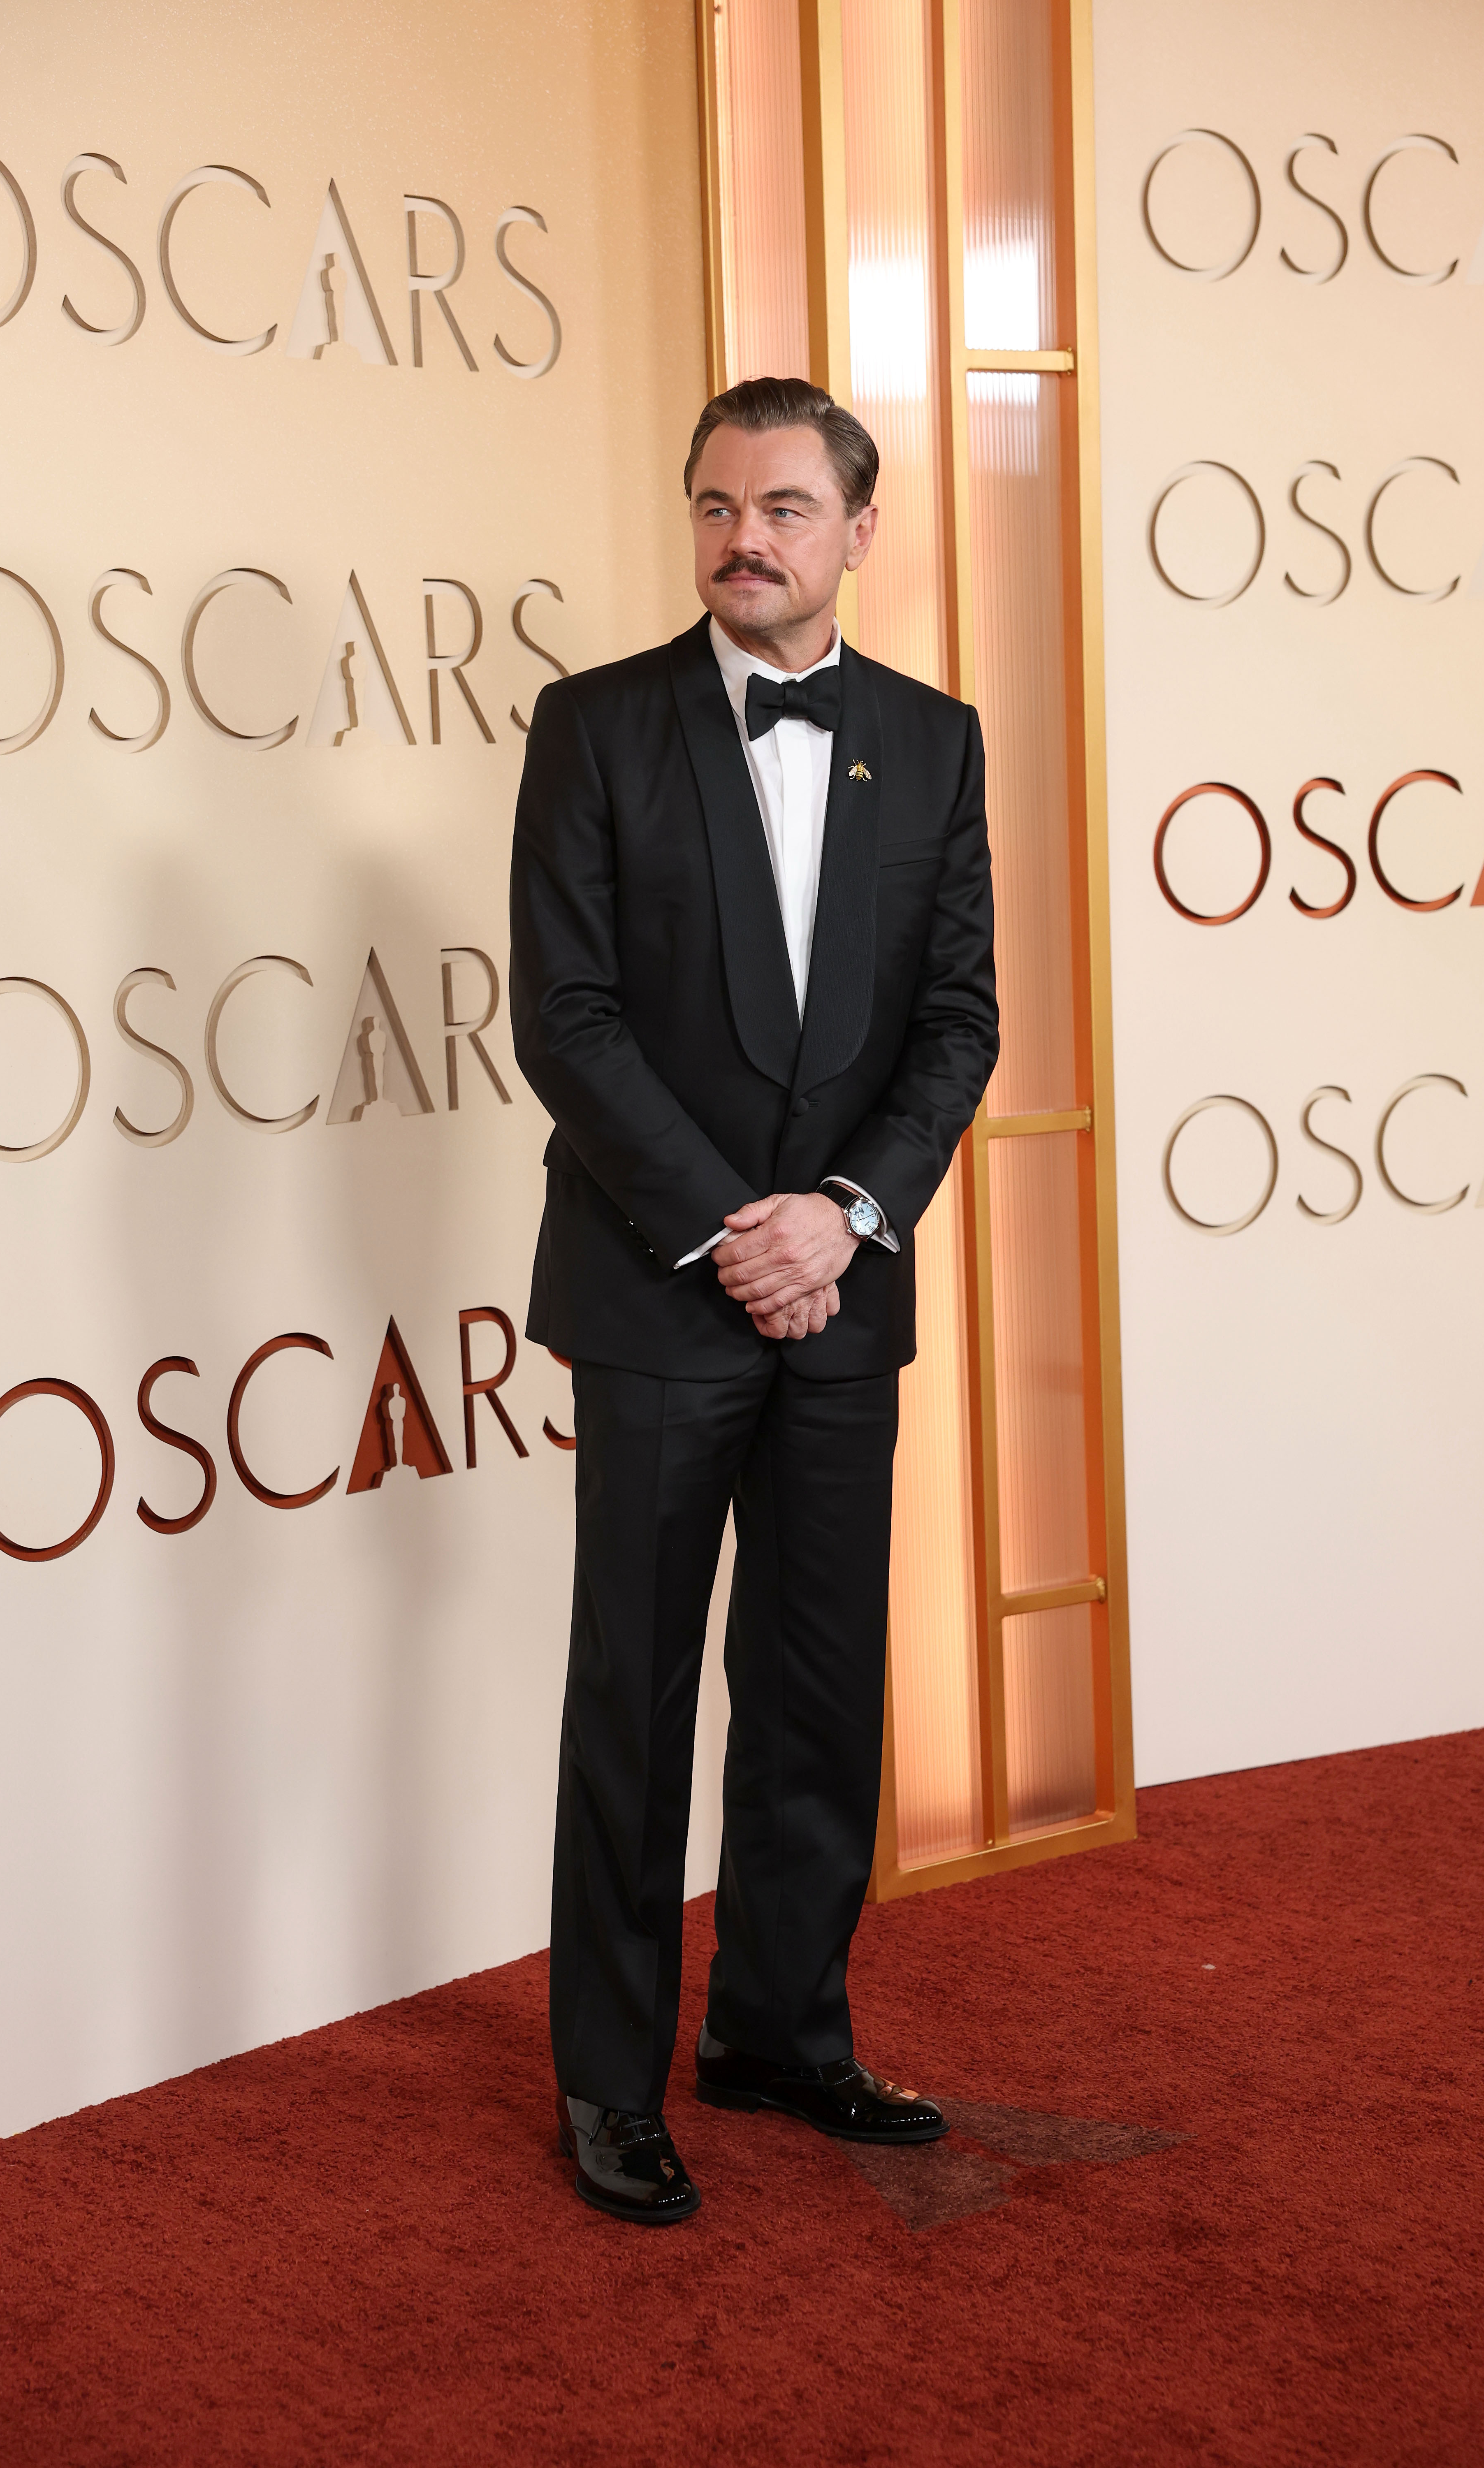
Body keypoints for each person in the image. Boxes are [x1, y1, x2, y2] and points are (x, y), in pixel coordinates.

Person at [509, 375, 999, 2224]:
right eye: (717, 507)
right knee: (632, 1696)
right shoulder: (595, 726)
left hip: (844, 1297)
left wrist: (849, 1219)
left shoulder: (936, 742)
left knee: (814, 1687)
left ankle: (781, 2033)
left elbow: (958, 1021)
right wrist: (740, 1228)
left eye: (785, 509)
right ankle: (611, 2083)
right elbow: (568, 1020)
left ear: (858, 532)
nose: (744, 541)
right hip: (659, 1290)